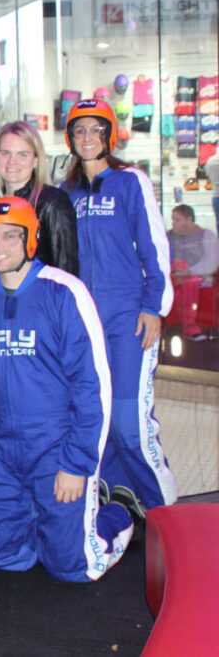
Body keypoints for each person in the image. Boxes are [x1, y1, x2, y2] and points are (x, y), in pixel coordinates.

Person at [0, 197, 133, 581]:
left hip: (57, 444)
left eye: (10, 236)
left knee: (74, 567)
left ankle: (117, 514)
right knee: (1, 558)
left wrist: (76, 463)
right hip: (1, 447)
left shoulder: (63, 292)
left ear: (31, 238)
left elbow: (92, 387)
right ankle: (42, 518)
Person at [62, 99, 177, 514]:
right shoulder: (66, 193)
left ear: (109, 135)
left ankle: (167, 511)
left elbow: (154, 248)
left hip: (129, 320)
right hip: (84, 323)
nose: (87, 137)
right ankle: (122, 501)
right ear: (70, 138)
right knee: (98, 419)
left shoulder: (130, 182)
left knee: (130, 424)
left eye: (96, 129)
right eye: (79, 130)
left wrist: (154, 306)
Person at [0, 120, 79, 276]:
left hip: (41, 291)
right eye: (5, 153)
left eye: (22, 154)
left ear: (36, 160)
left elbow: (65, 269)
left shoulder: (53, 202)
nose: (12, 161)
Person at [167, 203, 219, 340]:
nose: (173, 223)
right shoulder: (169, 236)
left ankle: (191, 329)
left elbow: (212, 262)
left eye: (177, 219)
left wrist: (189, 271)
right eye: (173, 219)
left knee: (190, 282)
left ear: (189, 219)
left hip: (199, 277)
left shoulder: (207, 235)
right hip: (173, 276)